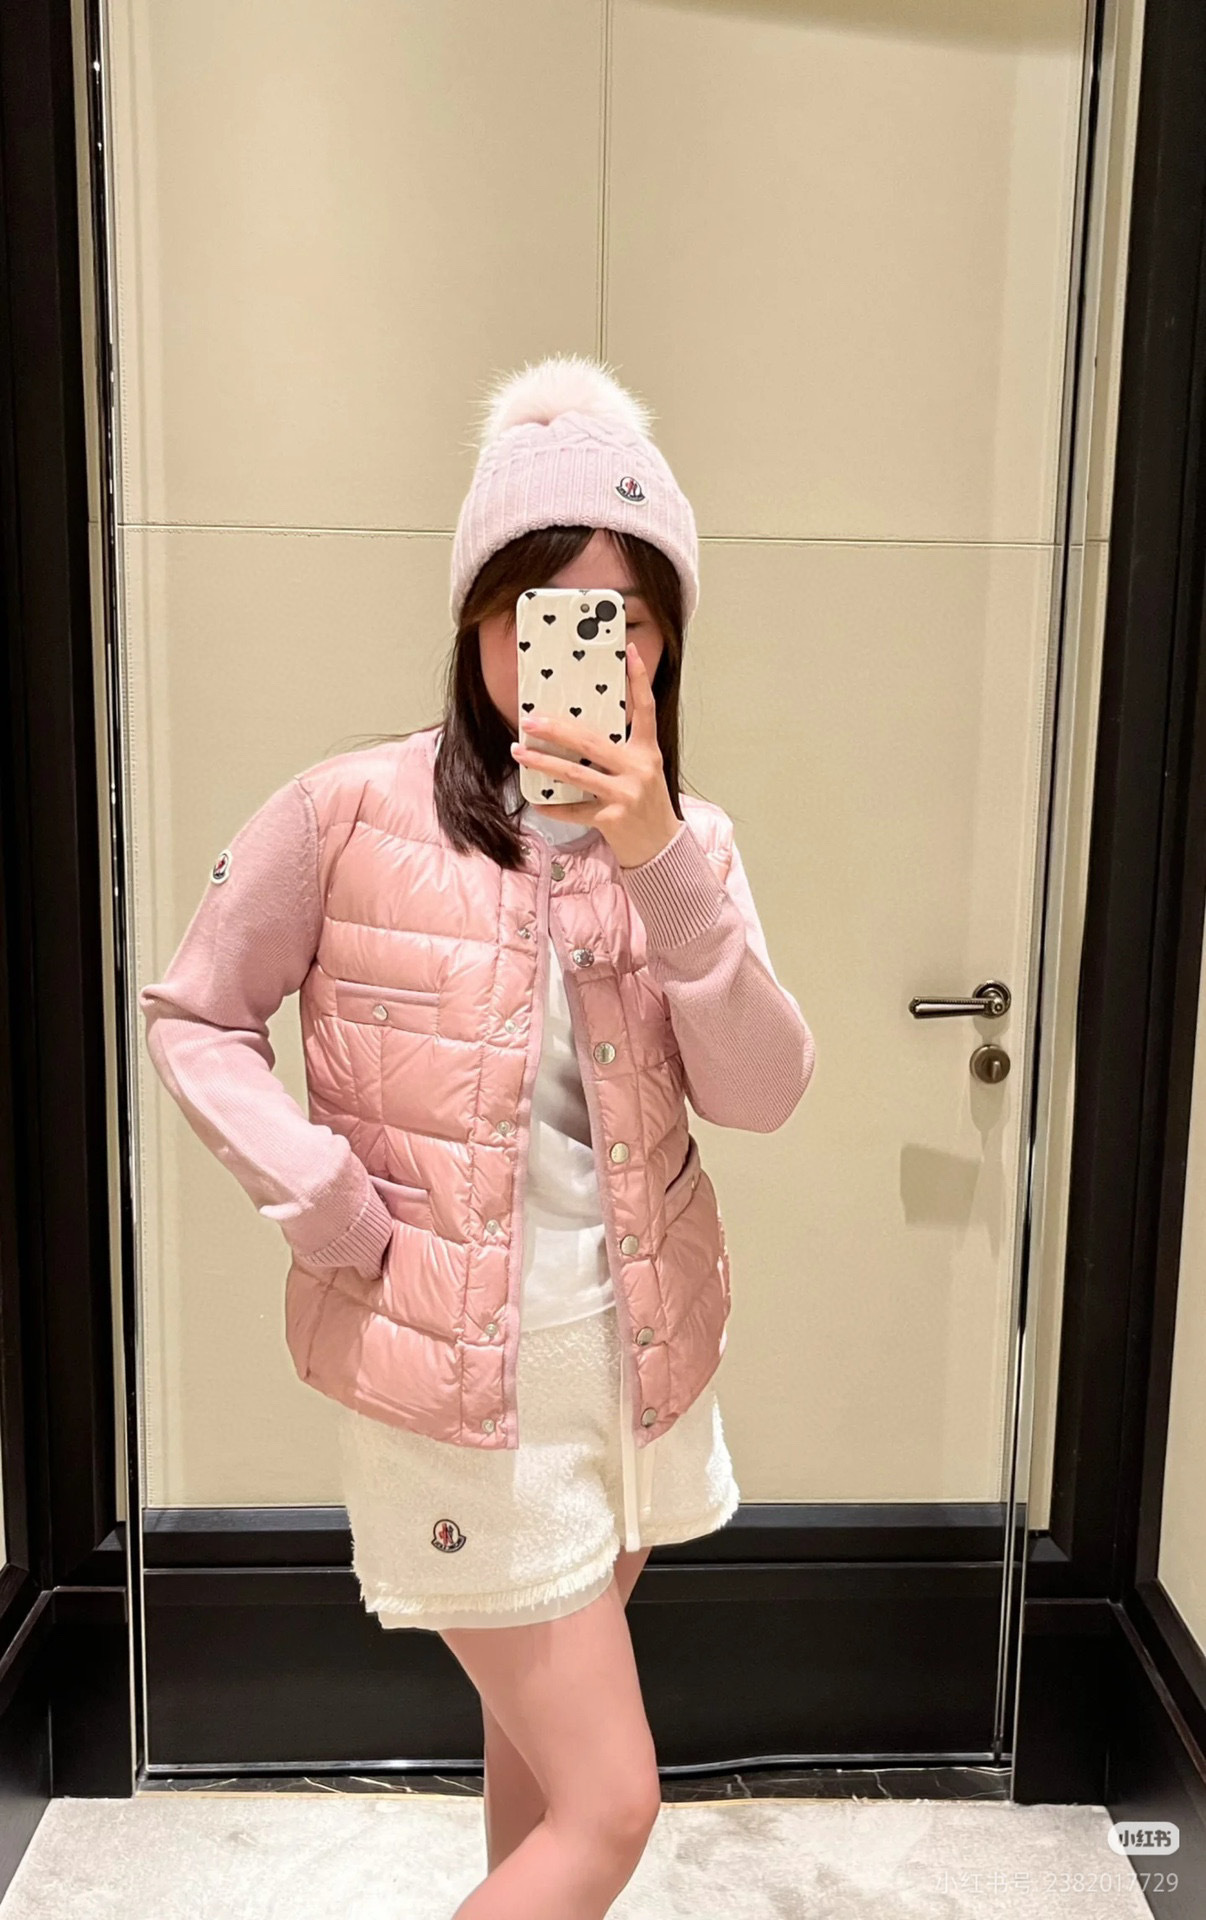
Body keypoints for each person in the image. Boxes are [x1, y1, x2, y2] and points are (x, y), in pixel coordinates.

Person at [139, 351, 816, 1918]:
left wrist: (658, 862)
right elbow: (192, 1015)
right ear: (475, 622)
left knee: (539, 1762)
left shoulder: (692, 850)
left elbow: (763, 1091)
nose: (581, 648)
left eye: (621, 618)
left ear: (665, 640)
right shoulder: (346, 814)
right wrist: (321, 1197)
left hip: (633, 1371)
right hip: (448, 1386)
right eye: (537, 609)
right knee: (612, 1805)